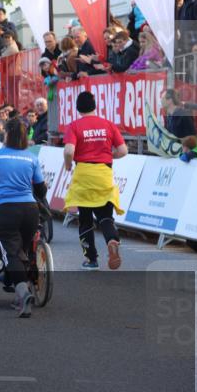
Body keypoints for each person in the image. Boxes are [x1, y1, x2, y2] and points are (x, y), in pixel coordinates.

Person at [0, 118, 47, 317]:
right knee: (24, 250)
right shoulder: (31, 158)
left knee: (10, 252)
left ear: (6, 134)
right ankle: (11, 277)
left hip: (4, 209)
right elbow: (40, 188)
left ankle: (22, 291)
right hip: (29, 209)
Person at [63, 91, 128, 270]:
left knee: (85, 220)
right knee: (105, 217)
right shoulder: (108, 124)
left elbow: (69, 151)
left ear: (77, 108)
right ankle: (112, 240)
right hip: (104, 173)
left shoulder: (74, 126)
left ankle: (91, 259)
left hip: (84, 174)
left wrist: (68, 165)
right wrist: (108, 154)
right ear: (95, 106)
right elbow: (123, 151)